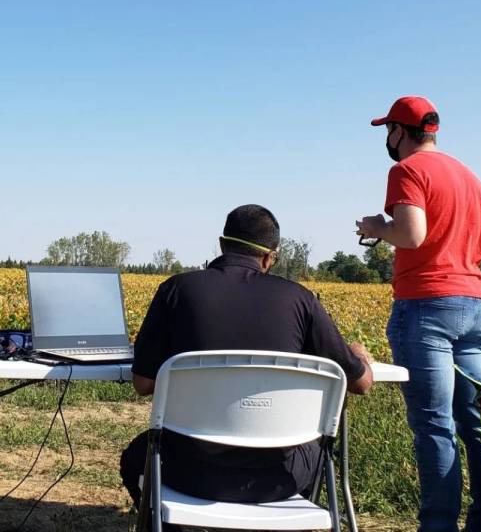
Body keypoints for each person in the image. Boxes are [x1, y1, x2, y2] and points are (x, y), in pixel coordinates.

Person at [120, 204, 374, 522]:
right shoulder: (302, 300)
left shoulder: (175, 290)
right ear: (270, 257)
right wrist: (358, 355)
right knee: (319, 449)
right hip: (281, 476)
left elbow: (143, 383)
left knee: (136, 458)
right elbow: (362, 383)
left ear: (222, 244)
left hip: (189, 472)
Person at [355, 96, 481, 532]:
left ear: (400, 132)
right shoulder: (469, 176)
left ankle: (438, 525)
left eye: (389, 130)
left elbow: (412, 234)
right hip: (474, 305)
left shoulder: (407, 170)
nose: (388, 139)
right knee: (478, 423)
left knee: (435, 425)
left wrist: (377, 228)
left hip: (426, 307)